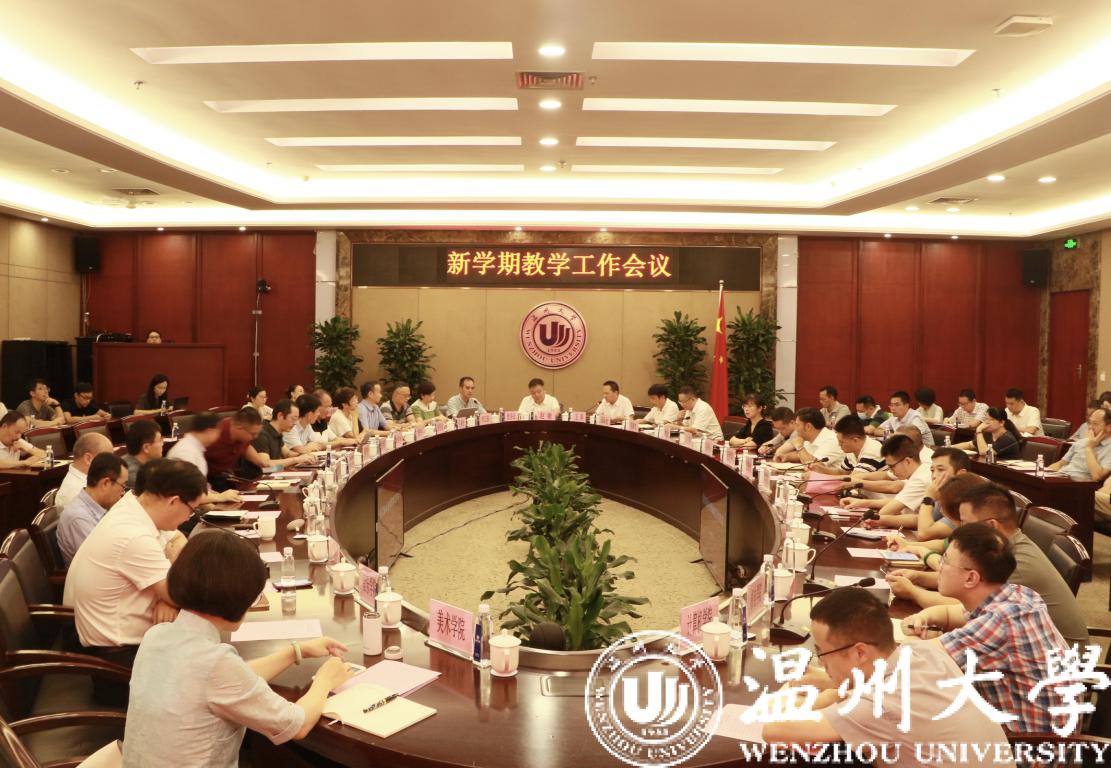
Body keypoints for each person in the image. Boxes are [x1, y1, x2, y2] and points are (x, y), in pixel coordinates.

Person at [122, 530, 353, 767]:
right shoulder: (216, 664)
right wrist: (325, 680)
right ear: (238, 599)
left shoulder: (156, 636)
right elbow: (297, 725)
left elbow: (230, 681)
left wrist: (295, 652)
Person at [762, 587, 1013, 764]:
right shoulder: (921, 651)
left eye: (822, 652)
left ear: (860, 652)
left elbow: (773, 730)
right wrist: (832, 686)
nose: (821, 661)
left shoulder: (881, 705)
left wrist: (799, 697)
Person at [901, 523, 1071, 735]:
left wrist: (915, 640)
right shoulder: (1017, 594)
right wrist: (922, 618)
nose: (940, 567)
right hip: (1029, 729)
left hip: (1025, 744)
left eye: (945, 560)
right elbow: (949, 614)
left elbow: (911, 659)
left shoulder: (1000, 621)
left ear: (971, 578)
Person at [893, 483, 1088, 647]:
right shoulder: (1000, 551)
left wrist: (913, 592)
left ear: (991, 525)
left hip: (1061, 663)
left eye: (966, 523)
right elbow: (964, 603)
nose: (960, 529)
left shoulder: (1013, 564)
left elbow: (963, 605)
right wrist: (919, 578)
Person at [63, 458, 205, 664]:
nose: (188, 519)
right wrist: (169, 594)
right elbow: (183, 595)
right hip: (118, 657)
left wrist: (165, 595)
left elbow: (178, 539)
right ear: (173, 502)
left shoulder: (134, 508)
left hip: (140, 640)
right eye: (192, 510)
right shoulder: (132, 535)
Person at [846, 434, 931, 528]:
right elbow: (899, 500)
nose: (891, 471)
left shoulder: (921, 479)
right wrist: (863, 503)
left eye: (891, 466)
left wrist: (871, 519)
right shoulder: (922, 470)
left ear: (907, 461)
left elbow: (886, 512)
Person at [58, 453, 128, 565]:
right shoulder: (78, 518)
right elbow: (102, 561)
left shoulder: (100, 506)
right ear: (106, 483)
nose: (123, 493)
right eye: (123, 486)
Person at [166, 412, 240, 504]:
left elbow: (202, 490)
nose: (218, 436)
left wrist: (222, 497)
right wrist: (219, 498)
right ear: (209, 431)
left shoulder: (194, 448)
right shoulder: (186, 452)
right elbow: (188, 495)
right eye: (218, 432)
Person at [242, 399, 312, 478]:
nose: (295, 423)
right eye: (293, 419)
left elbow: (287, 453)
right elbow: (266, 468)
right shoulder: (261, 434)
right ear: (280, 416)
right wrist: (295, 460)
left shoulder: (277, 431)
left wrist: (304, 456)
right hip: (257, 480)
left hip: (273, 476)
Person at [203, 408, 267, 490]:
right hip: (208, 480)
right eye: (253, 434)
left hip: (227, 475)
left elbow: (246, 447)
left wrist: (261, 462)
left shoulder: (242, 436)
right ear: (239, 428)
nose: (255, 437)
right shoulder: (215, 434)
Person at [1048, 406, 1111, 481]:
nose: (1090, 427)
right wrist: (1045, 473)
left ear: (1109, 427)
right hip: (1062, 477)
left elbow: (1097, 476)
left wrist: (1089, 448)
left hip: (1079, 485)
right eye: (1089, 423)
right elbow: (1060, 464)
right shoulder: (1081, 442)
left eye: (1095, 424)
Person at [56, 432, 114, 507]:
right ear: (88, 459)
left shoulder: (94, 480)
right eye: (107, 459)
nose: (112, 464)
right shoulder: (74, 493)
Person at [811, 415, 882, 475]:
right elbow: (841, 472)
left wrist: (819, 476)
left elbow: (852, 480)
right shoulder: (852, 451)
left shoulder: (871, 450)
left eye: (841, 442)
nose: (839, 445)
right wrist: (820, 469)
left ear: (855, 440)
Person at [776, 408, 843, 467]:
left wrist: (799, 446)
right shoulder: (810, 438)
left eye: (797, 425)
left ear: (808, 426)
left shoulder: (831, 440)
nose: (796, 429)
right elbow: (803, 455)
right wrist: (786, 457)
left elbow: (813, 466)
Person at [956, 407, 1023, 460]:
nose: (987, 422)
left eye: (991, 419)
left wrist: (979, 431)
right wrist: (951, 447)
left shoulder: (1007, 438)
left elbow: (985, 453)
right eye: (986, 419)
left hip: (1005, 471)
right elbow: (970, 444)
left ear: (1001, 422)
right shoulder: (988, 434)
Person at [123, 419, 164, 488]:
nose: (163, 444)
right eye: (160, 440)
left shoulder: (152, 463)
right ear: (146, 448)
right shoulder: (132, 475)